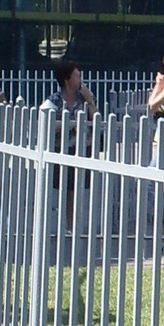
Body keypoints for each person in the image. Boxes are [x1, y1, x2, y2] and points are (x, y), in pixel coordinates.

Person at [41, 59, 97, 230]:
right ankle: (60, 224)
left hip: (81, 148)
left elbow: (96, 120)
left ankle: (73, 225)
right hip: (61, 149)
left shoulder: (84, 99)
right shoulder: (55, 100)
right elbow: (46, 122)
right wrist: (69, 124)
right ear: (66, 79)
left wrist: (90, 101)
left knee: (76, 189)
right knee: (62, 187)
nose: (79, 80)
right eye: (76, 76)